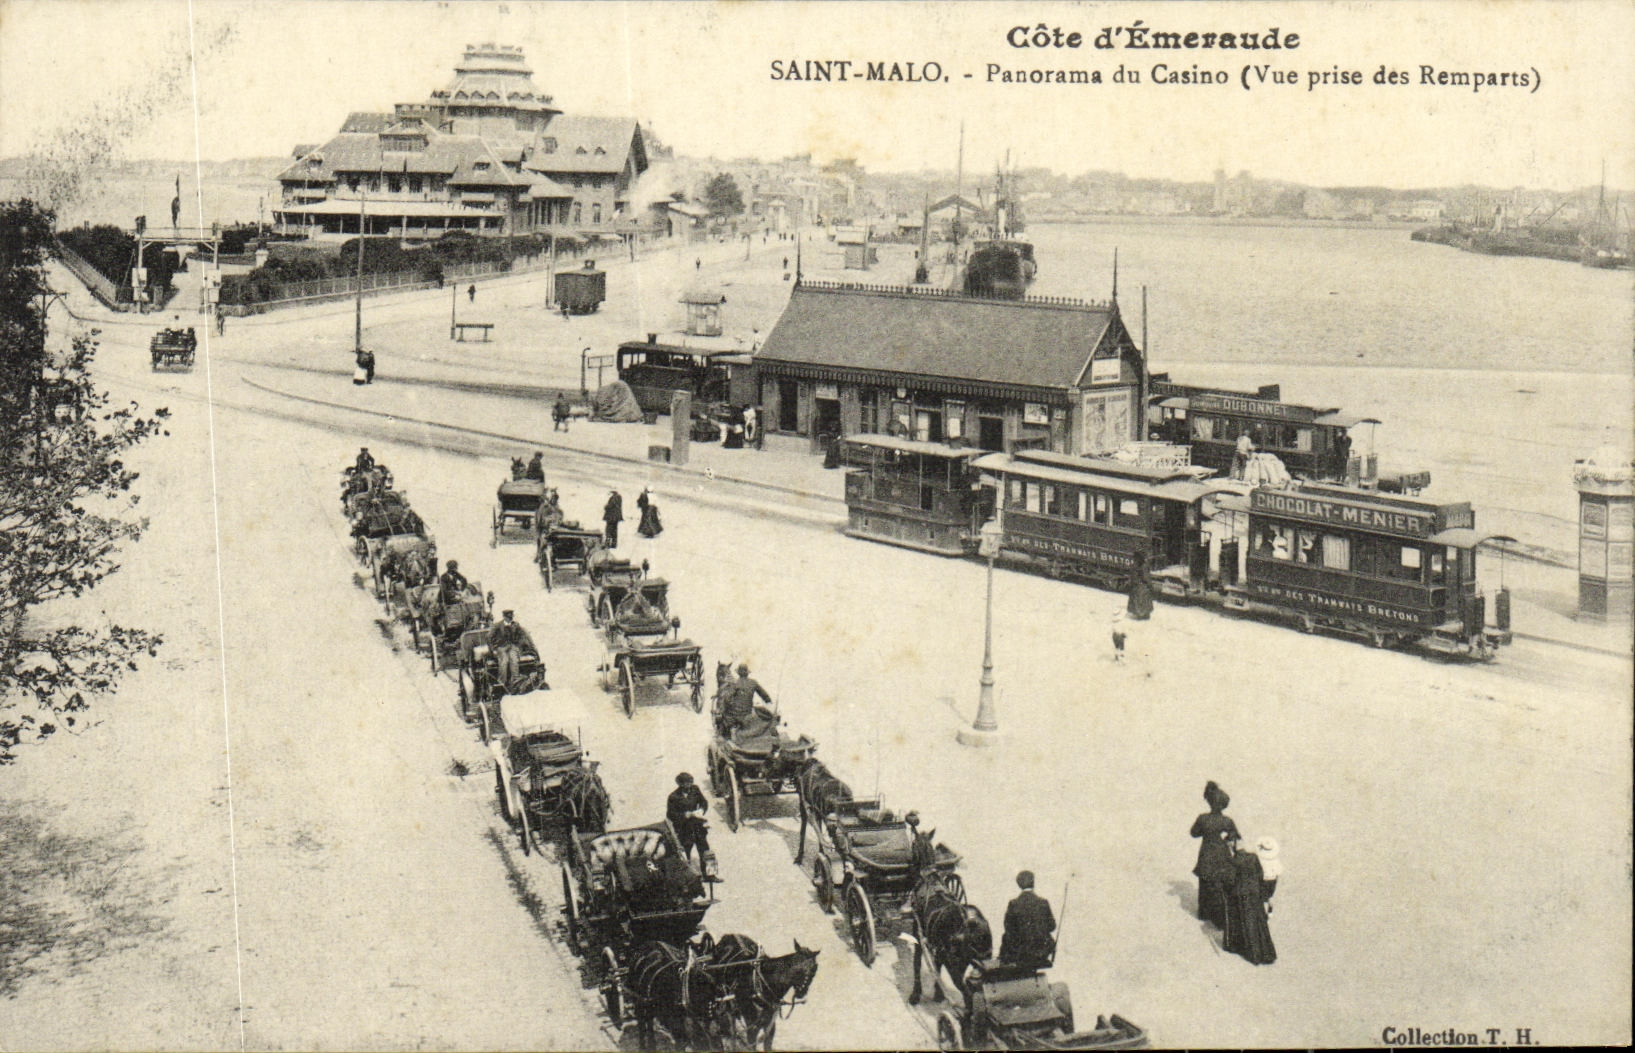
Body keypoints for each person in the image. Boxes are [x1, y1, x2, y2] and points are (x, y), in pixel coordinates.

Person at [1190, 781, 1240, 930]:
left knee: (1205, 881)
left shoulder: (1203, 818)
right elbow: (1235, 837)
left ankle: (1204, 913)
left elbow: (1194, 833)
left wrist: (1206, 831)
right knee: (1220, 883)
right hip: (1222, 854)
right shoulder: (1227, 821)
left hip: (1206, 852)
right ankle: (1219, 916)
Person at [1224, 838, 1277, 965]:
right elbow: (1260, 875)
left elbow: (1230, 880)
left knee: (1247, 923)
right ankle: (1267, 953)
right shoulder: (1253, 857)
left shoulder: (1233, 861)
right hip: (1255, 892)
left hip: (1242, 894)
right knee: (1259, 921)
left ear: (1233, 847)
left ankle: (1253, 954)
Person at [1000, 871, 1056, 969]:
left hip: (1021, 954)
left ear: (1019, 885)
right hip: (1042, 953)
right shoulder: (1043, 902)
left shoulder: (1014, 904)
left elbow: (1008, 928)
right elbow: (1052, 926)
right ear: (1033, 883)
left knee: (1006, 937)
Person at [667, 772, 714, 873]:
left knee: (706, 851)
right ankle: (688, 878)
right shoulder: (673, 797)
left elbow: (704, 802)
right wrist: (684, 815)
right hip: (684, 829)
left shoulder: (695, 789)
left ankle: (710, 875)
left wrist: (701, 810)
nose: (688, 786)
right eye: (685, 784)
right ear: (680, 784)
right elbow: (670, 814)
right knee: (685, 854)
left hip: (698, 826)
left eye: (690, 783)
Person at [719, 663, 773, 737]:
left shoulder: (735, 683)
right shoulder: (753, 683)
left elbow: (727, 698)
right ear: (747, 673)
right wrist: (768, 701)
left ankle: (726, 735)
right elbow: (764, 695)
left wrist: (726, 705)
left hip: (735, 714)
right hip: (748, 712)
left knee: (723, 716)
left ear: (739, 673)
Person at [489, 609, 534, 694]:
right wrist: (493, 649)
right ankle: (502, 682)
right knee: (504, 661)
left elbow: (522, 635)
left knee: (514, 660)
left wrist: (519, 645)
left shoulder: (516, 625)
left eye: (511, 617)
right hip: (501, 647)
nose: (510, 619)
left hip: (513, 647)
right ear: (504, 617)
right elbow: (489, 637)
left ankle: (515, 681)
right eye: (508, 617)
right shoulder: (497, 626)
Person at [1126, 550, 1154, 622]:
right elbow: (1146, 577)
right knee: (1143, 599)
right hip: (1142, 586)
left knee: (1137, 599)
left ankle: (1139, 613)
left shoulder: (1134, 565)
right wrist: (1150, 585)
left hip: (1136, 585)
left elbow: (1132, 575)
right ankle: (1144, 614)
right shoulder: (1143, 566)